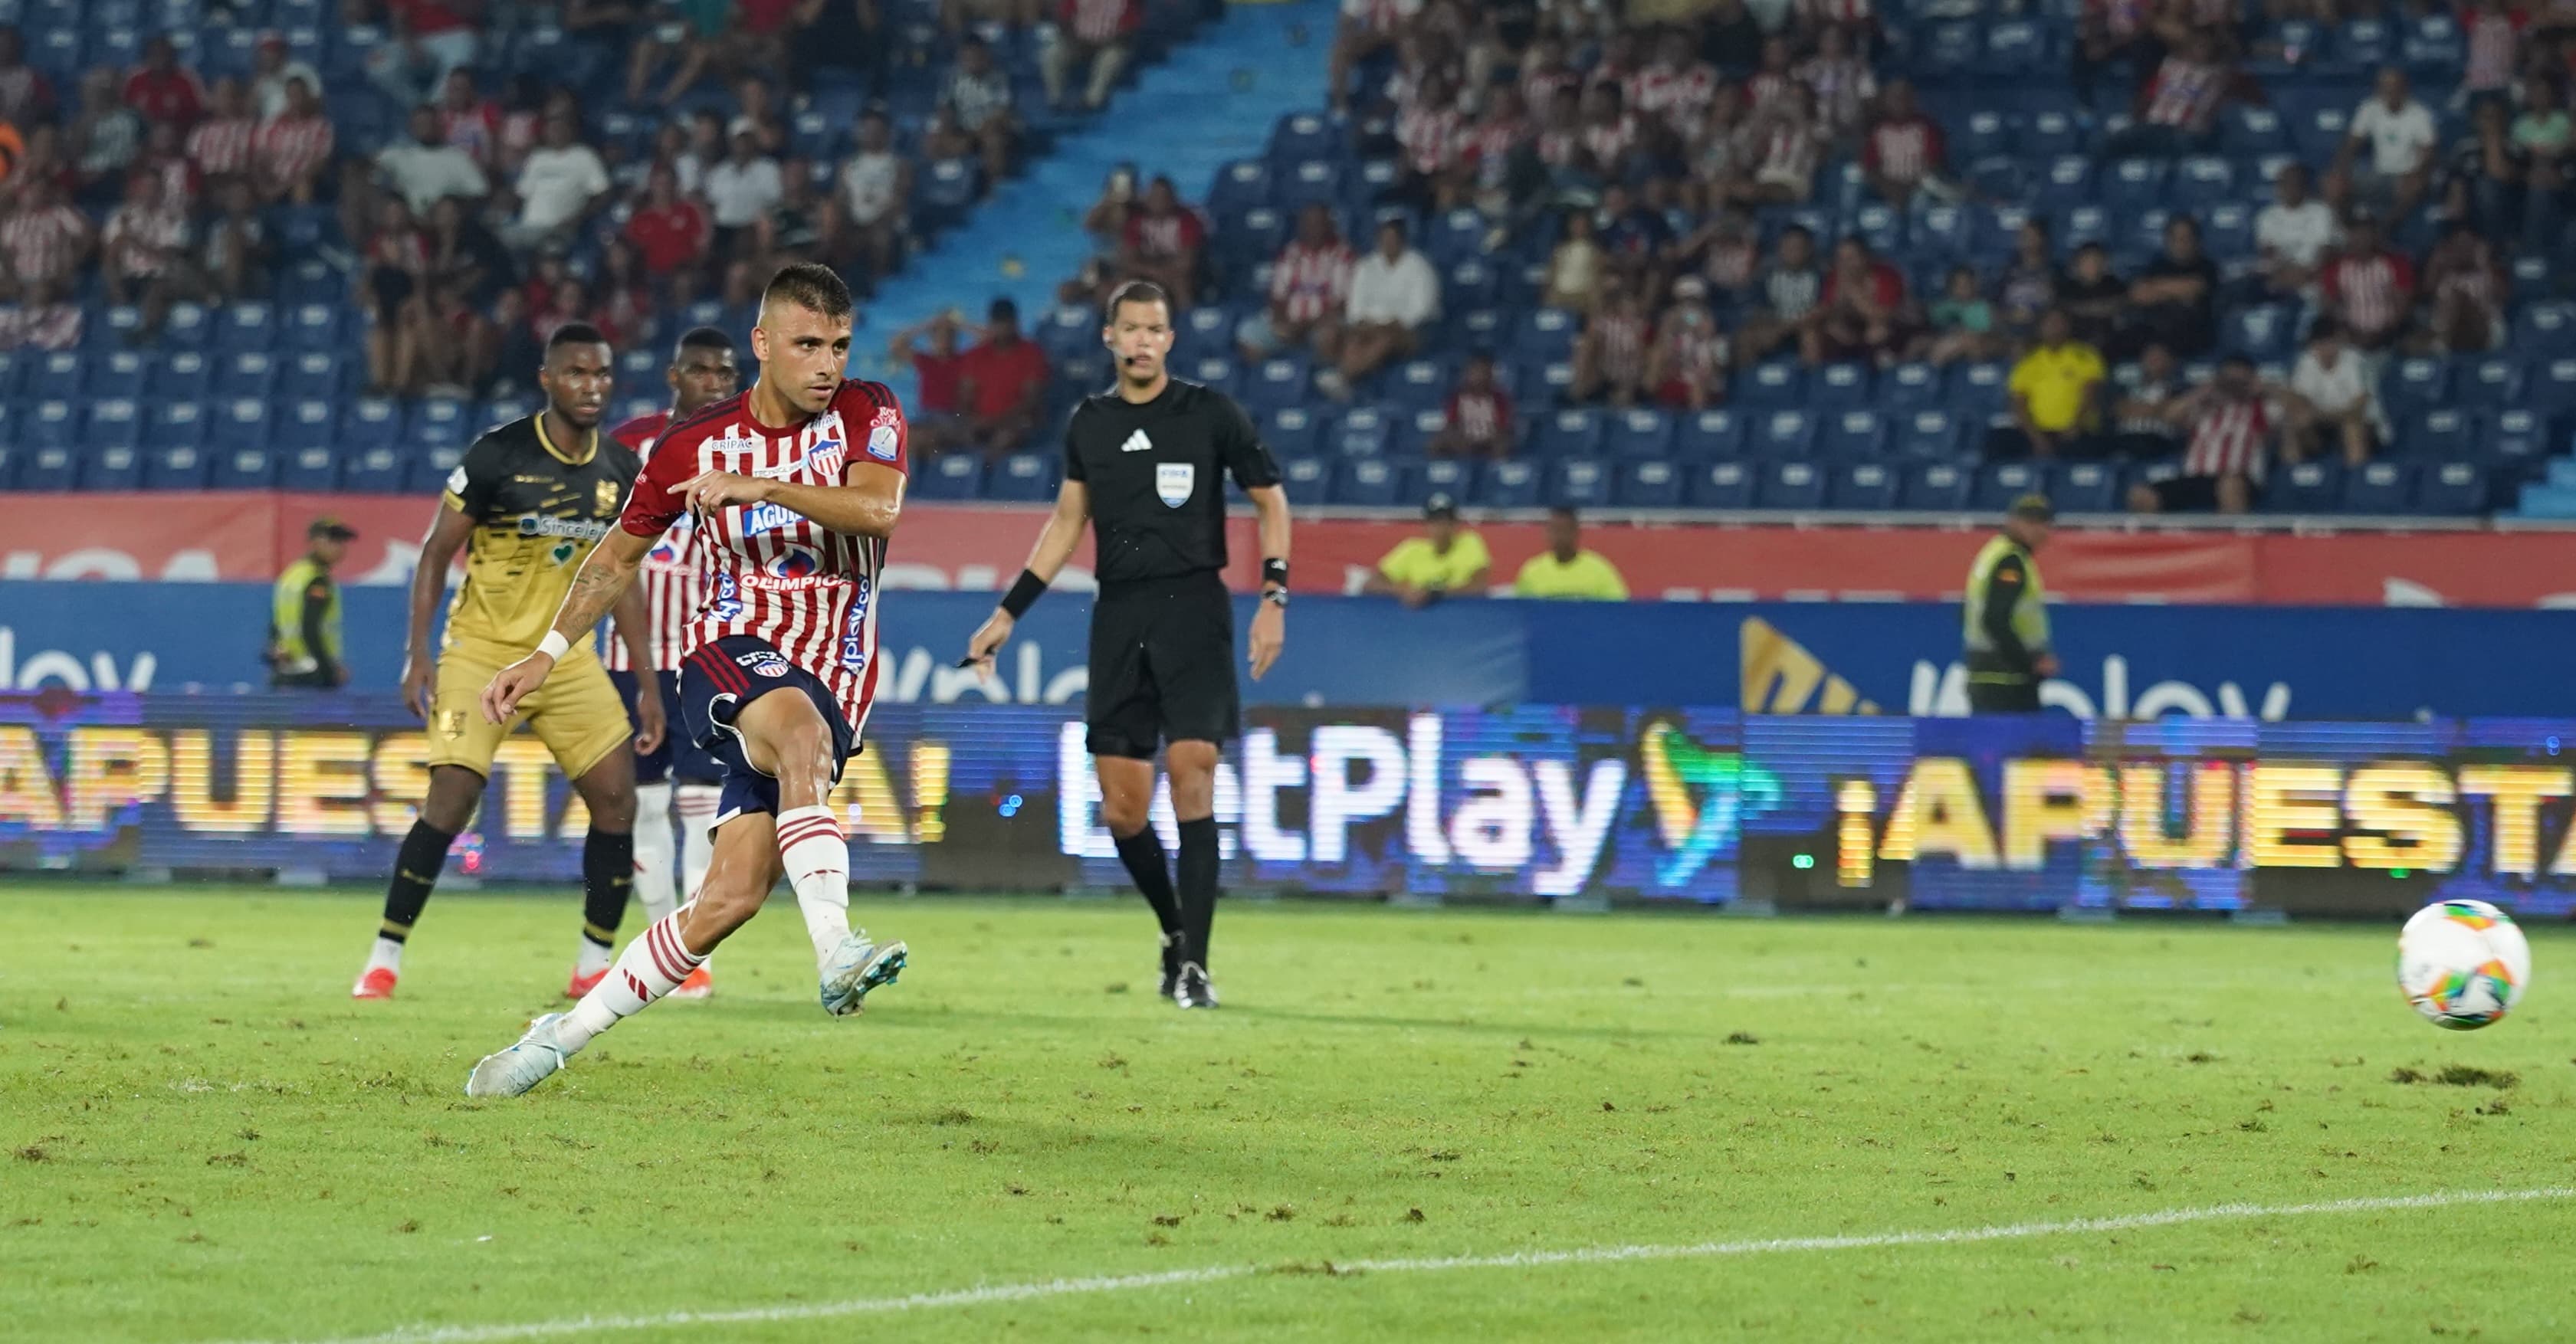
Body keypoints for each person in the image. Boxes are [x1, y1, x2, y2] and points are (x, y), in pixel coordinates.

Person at [465, 264, 917, 1097]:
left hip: (835, 672)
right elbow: (615, 560)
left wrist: (766, 485)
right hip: (727, 648)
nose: (827, 364)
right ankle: (836, 949)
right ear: (762, 344)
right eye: (807, 344)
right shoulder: (690, 445)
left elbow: (878, 509)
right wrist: (543, 653)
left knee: (729, 898)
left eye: (839, 345)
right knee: (800, 734)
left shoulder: (868, 409)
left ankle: (554, 1038)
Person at [961, 280, 1291, 1011]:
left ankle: (1198, 967)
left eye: (1155, 328)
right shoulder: (1091, 423)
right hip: (1121, 615)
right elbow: (1065, 524)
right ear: (1108, 337)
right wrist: (1007, 614)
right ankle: (1175, 934)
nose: (1143, 340)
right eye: (1130, 328)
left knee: (1193, 773)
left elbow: (1270, 497)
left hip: (1195, 610)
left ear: (1170, 339)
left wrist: (1274, 595)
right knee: (1122, 810)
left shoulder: (1209, 413)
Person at [356, 323, 663, 1003]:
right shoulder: (499, 455)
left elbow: (624, 579)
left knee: (618, 802)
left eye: (603, 374)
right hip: (483, 651)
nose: (592, 386)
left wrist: (644, 682)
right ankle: (384, 956)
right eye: (577, 373)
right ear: (548, 380)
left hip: (568, 659)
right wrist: (418, 656)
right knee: (453, 797)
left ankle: (591, 964)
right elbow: (437, 551)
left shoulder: (620, 470)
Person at [601, 326, 742, 1000]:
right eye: (702, 370)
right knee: (646, 807)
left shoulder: (752, 445)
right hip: (628, 657)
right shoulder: (629, 443)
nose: (715, 381)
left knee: (702, 804)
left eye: (726, 371)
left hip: (710, 651)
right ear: (674, 375)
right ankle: (662, 943)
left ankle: (688, 954)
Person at [2129, 354, 2273, 516]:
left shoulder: (2261, 408)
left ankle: (2232, 541)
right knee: (2141, 495)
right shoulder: (2204, 407)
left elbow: (2302, 416)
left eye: (2239, 381)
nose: (2234, 386)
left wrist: (2268, 389)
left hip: (2239, 479)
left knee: (2230, 485)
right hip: (2196, 478)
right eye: (2228, 380)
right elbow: (2169, 416)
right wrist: (2203, 391)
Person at [1961, 494, 2057, 713]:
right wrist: (2030, 661)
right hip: (2007, 679)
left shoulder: (1992, 552)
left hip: (1985, 674)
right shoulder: (2010, 562)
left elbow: (1966, 612)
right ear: (2012, 521)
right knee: (2020, 746)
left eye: (2043, 522)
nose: (2038, 529)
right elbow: (1995, 619)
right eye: (2029, 522)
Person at [1994, 309, 2103, 460]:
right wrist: (2036, 437)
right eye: (2050, 323)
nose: (2054, 327)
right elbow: (2018, 403)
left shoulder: (2085, 356)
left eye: (2059, 322)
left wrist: (2075, 425)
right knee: (1998, 441)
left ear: (2068, 326)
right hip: (2038, 431)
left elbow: (2091, 393)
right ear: (2041, 328)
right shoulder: (2029, 361)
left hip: (2077, 430)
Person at [267, 517, 356, 689]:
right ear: (315, 541)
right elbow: (310, 628)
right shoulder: (317, 580)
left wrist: (274, 652)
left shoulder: (291, 575)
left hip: (286, 671)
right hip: (312, 675)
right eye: (334, 540)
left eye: (342, 541)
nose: (341, 547)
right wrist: (328, 671)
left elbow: (276, 623)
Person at [1365, 493, 1490, 607]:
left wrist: (1434, 594)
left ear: (1455, 524)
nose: (1440, 528)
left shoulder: (1469, 543)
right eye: (1434, 522)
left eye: (1445, 522)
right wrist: (1405, 591)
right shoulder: (1412, 549)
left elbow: (1479, 587)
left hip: (1459, 616)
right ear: (1425, 526)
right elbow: (1371, 585)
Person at [1512, 508, 1628, 600]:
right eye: (1555, 530)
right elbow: (1523, 614)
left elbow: (1616, 610)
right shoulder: (1532, 572)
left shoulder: (1599, 570)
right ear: (1547, 534)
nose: (1560, 537)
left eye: (1565, 530)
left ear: (1576, 532)